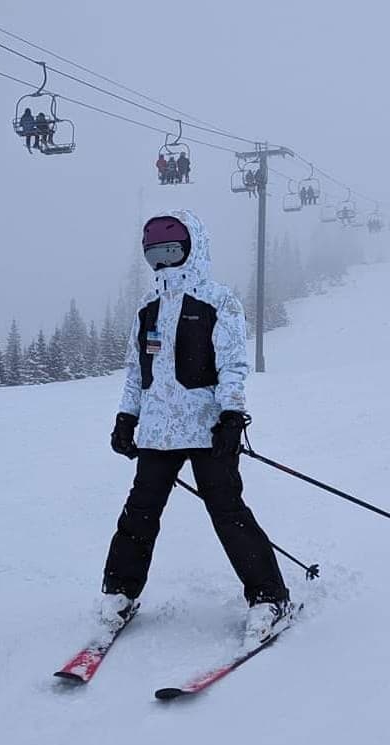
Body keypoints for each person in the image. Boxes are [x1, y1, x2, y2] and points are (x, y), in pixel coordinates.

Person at [100, 210, 292, 644]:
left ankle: (269, 598)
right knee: (139, 514)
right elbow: (136, 373)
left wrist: (231, 416)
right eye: (155, 256)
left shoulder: (217, 301)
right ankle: (119, 595)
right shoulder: (147, 310)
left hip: (207, 431)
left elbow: (233, 366)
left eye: (172, 251)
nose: (164, 263)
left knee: (228, 513)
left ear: (192, 249)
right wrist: (126, 418)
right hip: (156, 434)